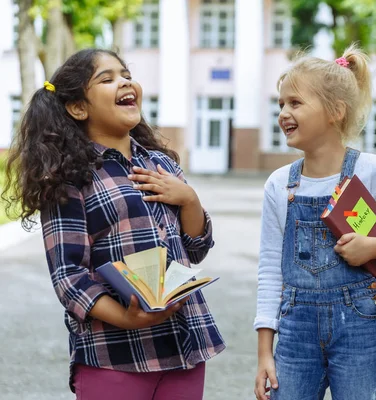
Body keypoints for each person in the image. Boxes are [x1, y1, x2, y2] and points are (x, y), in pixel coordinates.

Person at [2, 49, 225, 400]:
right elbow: (69, 275)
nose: (124, 82)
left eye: (125, 74)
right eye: (106, 79)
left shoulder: (162, 165)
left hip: (184, 348)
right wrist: (127, 318)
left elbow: (195, 250)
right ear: (78, 107)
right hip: (114, 355)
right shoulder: (69, 177)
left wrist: (190, 200)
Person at [253, 44, 376, 400]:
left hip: (361, 329)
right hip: (295, 334)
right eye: (281, 103)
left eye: (295, 103)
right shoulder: (279, 184)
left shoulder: (372, 172)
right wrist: (264, 353)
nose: (283, 112)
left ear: (335, 110)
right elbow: (270, 271)